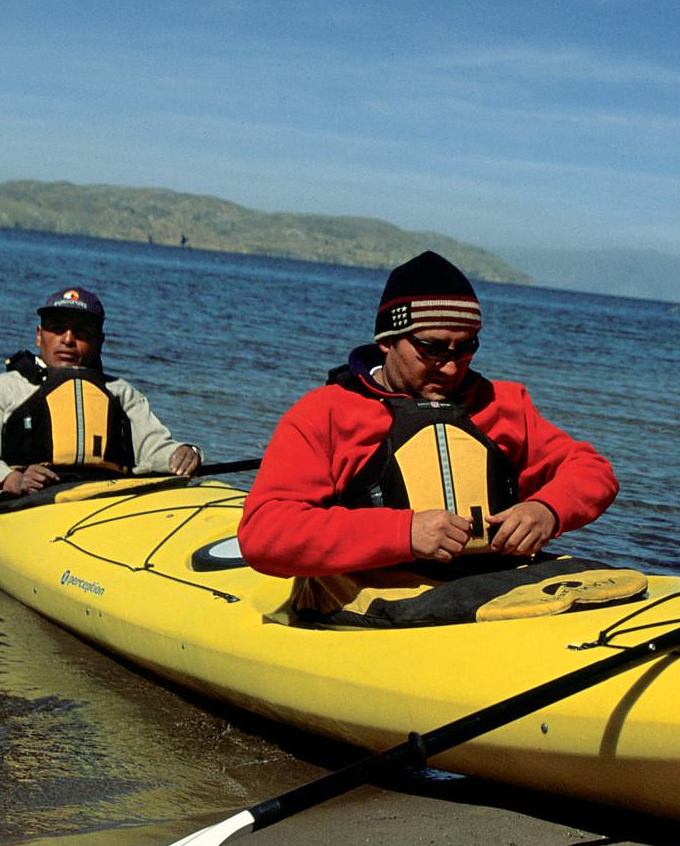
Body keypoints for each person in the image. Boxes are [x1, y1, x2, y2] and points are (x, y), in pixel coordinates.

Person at [240, 251, 618, 600]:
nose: (452, 367)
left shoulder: (504, 403)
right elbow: (264, 534)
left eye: (466, 348)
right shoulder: (324, 413)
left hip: (492, 598)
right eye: (433, 348)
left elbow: (592, 471)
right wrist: (404, 533)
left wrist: (546, 511)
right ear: (388, 341)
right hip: (371, 612)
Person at [0, 287, 202, 496]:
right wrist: (12, 480)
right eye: (58, 328)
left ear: (99, 341)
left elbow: (153, 447)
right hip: (27, 504)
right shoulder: (5, 389)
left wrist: (181, 453)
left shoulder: (121, 393)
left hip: (106, 500)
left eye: (81, 331)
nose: (68, 339)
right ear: (40, 336)